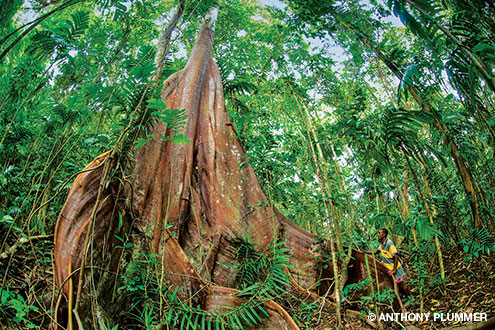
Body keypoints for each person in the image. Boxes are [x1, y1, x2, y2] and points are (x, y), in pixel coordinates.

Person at [366, 228, 412, 299]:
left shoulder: (389, 243)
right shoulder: (382, 244)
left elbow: (396, 255)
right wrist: (365, 252)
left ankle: (410, 298)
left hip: (395, 269)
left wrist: (394, 269)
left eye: (379, 233)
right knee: (396, 284)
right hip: (389, 269)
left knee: (402, 284)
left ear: (384, 235)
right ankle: (403, 297)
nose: (378, 235)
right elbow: (376, 251)